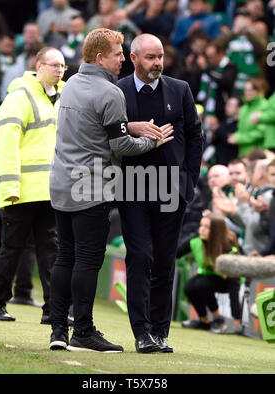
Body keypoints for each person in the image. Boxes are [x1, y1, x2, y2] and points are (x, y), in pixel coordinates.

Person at [48, 28, 174, 353]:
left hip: (61, 182)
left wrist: (127, 126)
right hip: (90, 187)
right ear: (100, 57)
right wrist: (153, 139)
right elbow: (122, 146)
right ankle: (84, 331)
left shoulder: (71, 83)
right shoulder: (111, 92)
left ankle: (59, 330)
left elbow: (97, 127)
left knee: (65, 256)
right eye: (118, 53)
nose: (123, 59)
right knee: (88, 261)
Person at [117, 34, 203, 353]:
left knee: (165, 262)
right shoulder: (119, 90)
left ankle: (159, 332)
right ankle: (141, 332)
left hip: (171, 188)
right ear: (134, 58)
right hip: (132, 186)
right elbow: (107, 132)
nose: (157, 63)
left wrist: (189, 181)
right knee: (140, 257)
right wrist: (131, 126)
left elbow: (195, 135)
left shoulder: (180, 89)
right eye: (151, 57)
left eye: (161, 56)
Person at [0, 47, 66, 323]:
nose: (60, 69)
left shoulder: (63, 97)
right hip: (22, 190)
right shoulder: (20, 96)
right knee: (11, 249)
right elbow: (6, 144)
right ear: (38, 66)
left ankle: (53, 310)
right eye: (54, 65)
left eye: (63, 65)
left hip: (50, 190)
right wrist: (10, 188)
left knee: (50, 250)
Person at [179, 213, 241, 333]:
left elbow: (234, 284)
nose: (201, 229)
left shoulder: (228, 248)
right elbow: (175, 253)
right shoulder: (196, 241)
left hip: (228, 281)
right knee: (189, 287)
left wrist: (236, 319)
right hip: (207, 278)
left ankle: (219, 320)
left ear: (216, 231)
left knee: (201, 284)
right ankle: (204, 321)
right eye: (201, 225)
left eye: (207, 227)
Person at [227, 77, 268, 157]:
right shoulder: (244, 108)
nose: (247, 93)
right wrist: (235, 135)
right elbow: (241, 129)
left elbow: (261, 132)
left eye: (251, 90)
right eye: (245, 90)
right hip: (242, 153)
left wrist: (239, 138)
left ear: (259, 91)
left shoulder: (265, 106)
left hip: (257, 154)